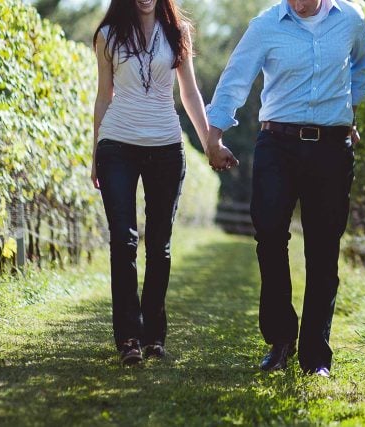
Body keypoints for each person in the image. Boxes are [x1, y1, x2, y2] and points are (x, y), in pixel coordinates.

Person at [204, 0, 365, 377]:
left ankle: (315, 356)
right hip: (277, 143)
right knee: (268, 234)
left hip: (331, 147)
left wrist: (349, 108)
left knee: (324, 248)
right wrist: (215, 136)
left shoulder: (350, 20)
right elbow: (236, 77)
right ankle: (281, 341)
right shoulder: (266, 25)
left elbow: (363, 64)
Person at [91, 0, 238, 365]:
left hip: (166, 147)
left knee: (159, 246)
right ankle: (128, 339)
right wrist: (96, 150)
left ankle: (153, 335)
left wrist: (209, 143)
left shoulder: (177, 33)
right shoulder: (107, 35)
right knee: (123, 242)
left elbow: (189, 94)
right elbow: (103, 94)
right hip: (117, 145)